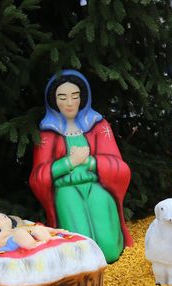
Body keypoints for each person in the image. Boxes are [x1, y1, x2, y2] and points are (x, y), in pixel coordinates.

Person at [29, 70, 133, 263]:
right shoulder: (47, 134)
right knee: (81, 247)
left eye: (74, 96)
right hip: (66, 191)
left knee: (109, 248)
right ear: (54, 101)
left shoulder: (99, 126)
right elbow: (38, 177)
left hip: (96, 187)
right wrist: (69, 163)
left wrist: (90, 162)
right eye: (62, 97)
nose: (69, 103)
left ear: (82, 98)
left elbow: (120, 167)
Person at [0, 213, 66, 254]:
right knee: (19, 232)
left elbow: (35, 228)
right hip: (11, 243)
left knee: (36, 228)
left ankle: (48, 239)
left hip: (24, 237)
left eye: (4, 216)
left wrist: (56, 231)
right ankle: (33, 246)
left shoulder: (18, 228)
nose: (2, 218)